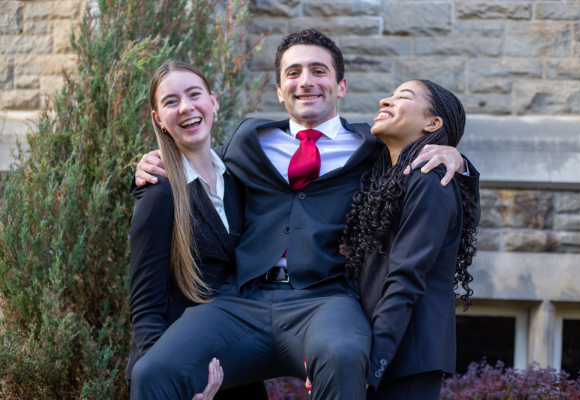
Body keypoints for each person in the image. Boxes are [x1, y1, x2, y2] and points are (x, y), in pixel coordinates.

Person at [130, 30, 480, 399]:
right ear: (280, 91)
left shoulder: (374, 147)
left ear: (340, 85)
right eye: (293, 73)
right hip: (241, 300)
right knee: (155, 371)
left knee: (344, 354)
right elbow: (196, 159)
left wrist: (458, 158)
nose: (306, 82)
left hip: (326, 300)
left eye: (318, 71)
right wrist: (147, 169)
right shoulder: (247, 140)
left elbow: (419, 157)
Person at [126, 60, 267, 400]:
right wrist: (174, 380)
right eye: (171, 101)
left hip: (236, 367)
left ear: (213, 100)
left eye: (194, 94)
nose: (186, 107)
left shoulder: (237, 178)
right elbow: (145, 310)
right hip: (185, 378)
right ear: (158, 118)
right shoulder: (159, 191)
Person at [342, 79, 477, 399]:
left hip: (404, 359)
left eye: (402, 97)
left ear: (432, 123)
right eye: (388, 94)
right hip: (375, 347)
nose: (385, 101)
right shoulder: (385, 175)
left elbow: (406, 277)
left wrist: (372, 366)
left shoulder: (432, 180)